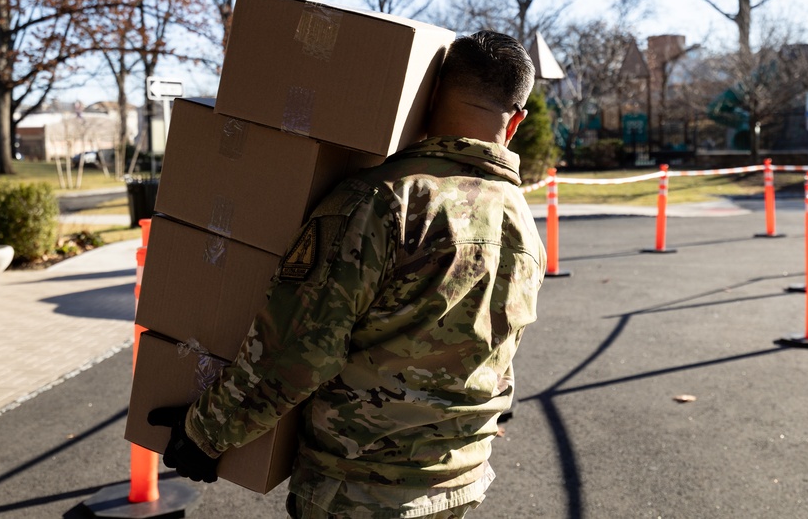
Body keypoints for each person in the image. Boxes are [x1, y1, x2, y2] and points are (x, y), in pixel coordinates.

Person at [149, 30, 547, 518]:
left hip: (362, 492)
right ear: (517, 122)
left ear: (430, 97)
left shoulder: (382, 202)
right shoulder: (523, 223)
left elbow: (298, 350)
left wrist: (205, 434)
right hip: (460, 480)